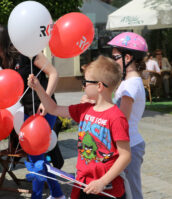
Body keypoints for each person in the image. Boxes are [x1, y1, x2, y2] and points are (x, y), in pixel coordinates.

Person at [28, 55, 131, 199]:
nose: (83, 86)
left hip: (106, 190)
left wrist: (102, 181)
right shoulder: (84, 109)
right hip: (83, 183)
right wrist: (38, 88)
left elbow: (125, 155)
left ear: (99, 86)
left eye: (85, 82)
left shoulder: (116, 117)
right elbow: (53, 108)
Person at [0, 24, 65, 199]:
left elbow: (53, 73)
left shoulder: (26, 52)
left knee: (36, 156)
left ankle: (38, 196)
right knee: (37, 157)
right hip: (27, 113)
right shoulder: (4, 62)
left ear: (0, 39)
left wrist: (46, 98)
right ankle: (58, 194)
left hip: (45, 111)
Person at [108, 32, 147, 199]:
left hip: (128, 145)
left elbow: (120, 119)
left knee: (132, 193)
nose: (113, 62)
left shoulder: (130, 86)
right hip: (128, 144)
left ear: (128, 57)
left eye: (116, 57)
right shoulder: (128, 82)